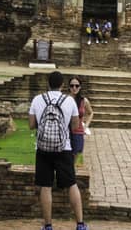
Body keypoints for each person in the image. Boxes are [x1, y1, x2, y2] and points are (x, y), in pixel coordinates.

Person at [29, 69, 87, 230]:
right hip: (64, 147)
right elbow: (75, 126)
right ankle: (80, 224)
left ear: (48, 83)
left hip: (43, 148)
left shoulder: (37, 99)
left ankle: (48, 225)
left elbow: (31, 125)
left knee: (45, 186)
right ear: (62, 85)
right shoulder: (69, 101)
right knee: (71, 184)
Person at [67, 76, 93, 163]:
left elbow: (90, 113)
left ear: (80, 87)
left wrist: (86, 125)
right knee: (65, 156)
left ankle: (71, 174)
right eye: (72, 85)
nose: (74, 88)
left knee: (74, 156)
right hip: (66, 131)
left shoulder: (84, 101)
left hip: (78, 132)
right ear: (69, 87)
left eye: (77, 86)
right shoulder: (65, 99)